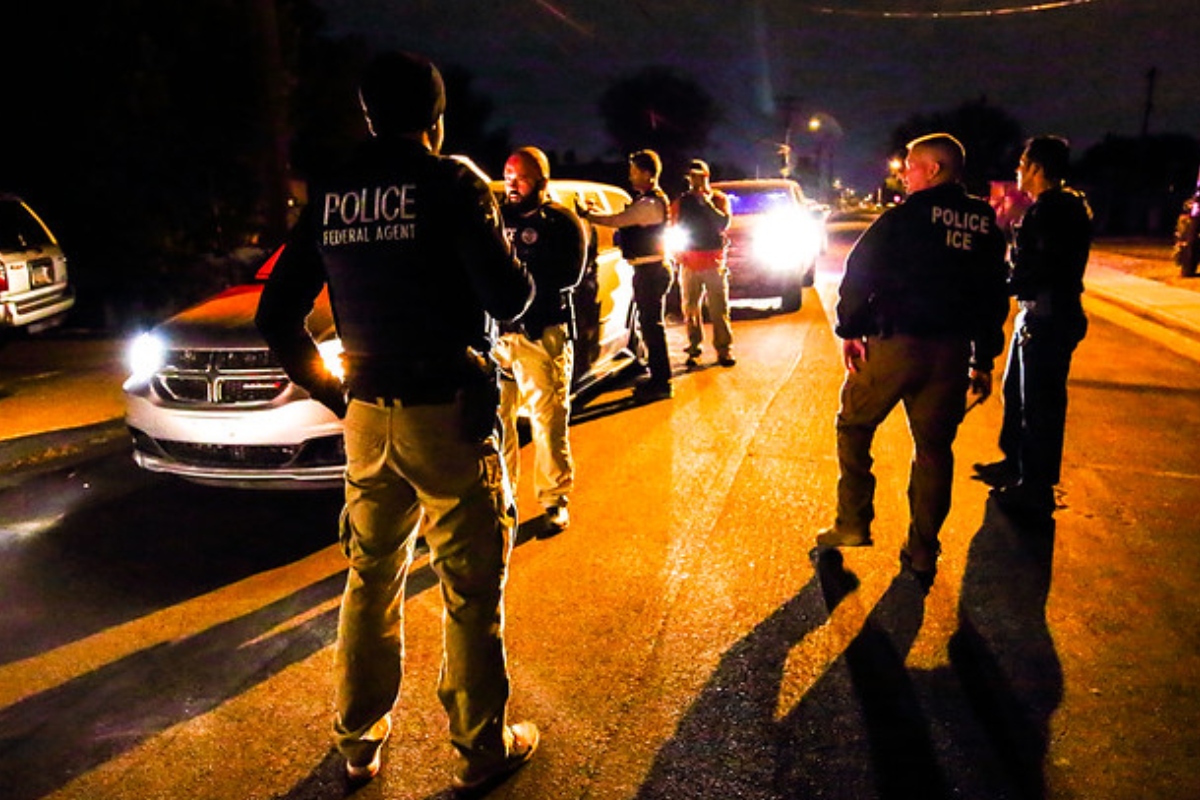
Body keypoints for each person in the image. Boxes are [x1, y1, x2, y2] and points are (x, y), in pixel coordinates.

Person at [254, 51, 540, 791]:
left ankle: (358, 741)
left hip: (367, 417)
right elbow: (509, 299)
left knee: (370, 578)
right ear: (436, 119)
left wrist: (335, 395)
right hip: (445, 415)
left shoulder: (334, 192)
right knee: (469, 589)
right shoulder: (452, 183)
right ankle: (481, 748)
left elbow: (276, 314)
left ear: (369, 116)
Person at [817, 133, 1009, 587]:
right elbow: (992, 294)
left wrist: (850, 329)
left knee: (854, 425)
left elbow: (858, 274)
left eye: (911, 165)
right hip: (951, 353)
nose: (904, 173)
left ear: (934, 169)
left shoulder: (903, 218)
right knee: (934, 450)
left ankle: (853, 521)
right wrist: (984, 358)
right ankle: (923, 551)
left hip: (896, 345)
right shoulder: (983, 224)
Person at [974, 136, 1093, 519]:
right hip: (1041, 313)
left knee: (1040, 405)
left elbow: (1039, 269)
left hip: (1047, 316)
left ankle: (1036, 488)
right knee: (1017, 393)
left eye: (1023, 164)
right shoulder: (1060, 208)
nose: (1018, 170)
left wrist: (1003, 282)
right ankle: (1015, 465)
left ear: (1037, 168)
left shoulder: (1052, 212)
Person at [494, 146, 588, 533]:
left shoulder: (561, 222)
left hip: (542, 334)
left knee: (548, 422)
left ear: (541, 181)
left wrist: (521, 282)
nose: (513, 185)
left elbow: (569, 276)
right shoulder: (494, 218)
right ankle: (501, 500)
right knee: (497, 425)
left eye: (522, 178)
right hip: (499, 337)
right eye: (508, 176)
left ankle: (554, 499)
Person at [584, 149, 674, 402]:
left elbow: (618, 220)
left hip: (651, 271)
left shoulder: (650, 204)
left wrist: (588, 215)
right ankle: (659, 379)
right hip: (650, 269)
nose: (630, 176)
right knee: (651, 326)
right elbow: (623, 218)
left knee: (652, 328)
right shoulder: (648, 201)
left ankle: (661, 383)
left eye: (634, 171)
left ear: (647, 174)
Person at [670, 158, 735, 368]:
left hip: (713, 262)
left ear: (706, 176)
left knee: (719, 309)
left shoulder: (718, 199)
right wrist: (677, 253)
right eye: (691, 177)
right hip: (689, 262)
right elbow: (673, 227)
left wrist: (705, 203)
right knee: (690, 309)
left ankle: (724, 349)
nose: (695, 180)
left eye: (699, 176)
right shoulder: (682, 202)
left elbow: (723, 223)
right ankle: (694, 346)